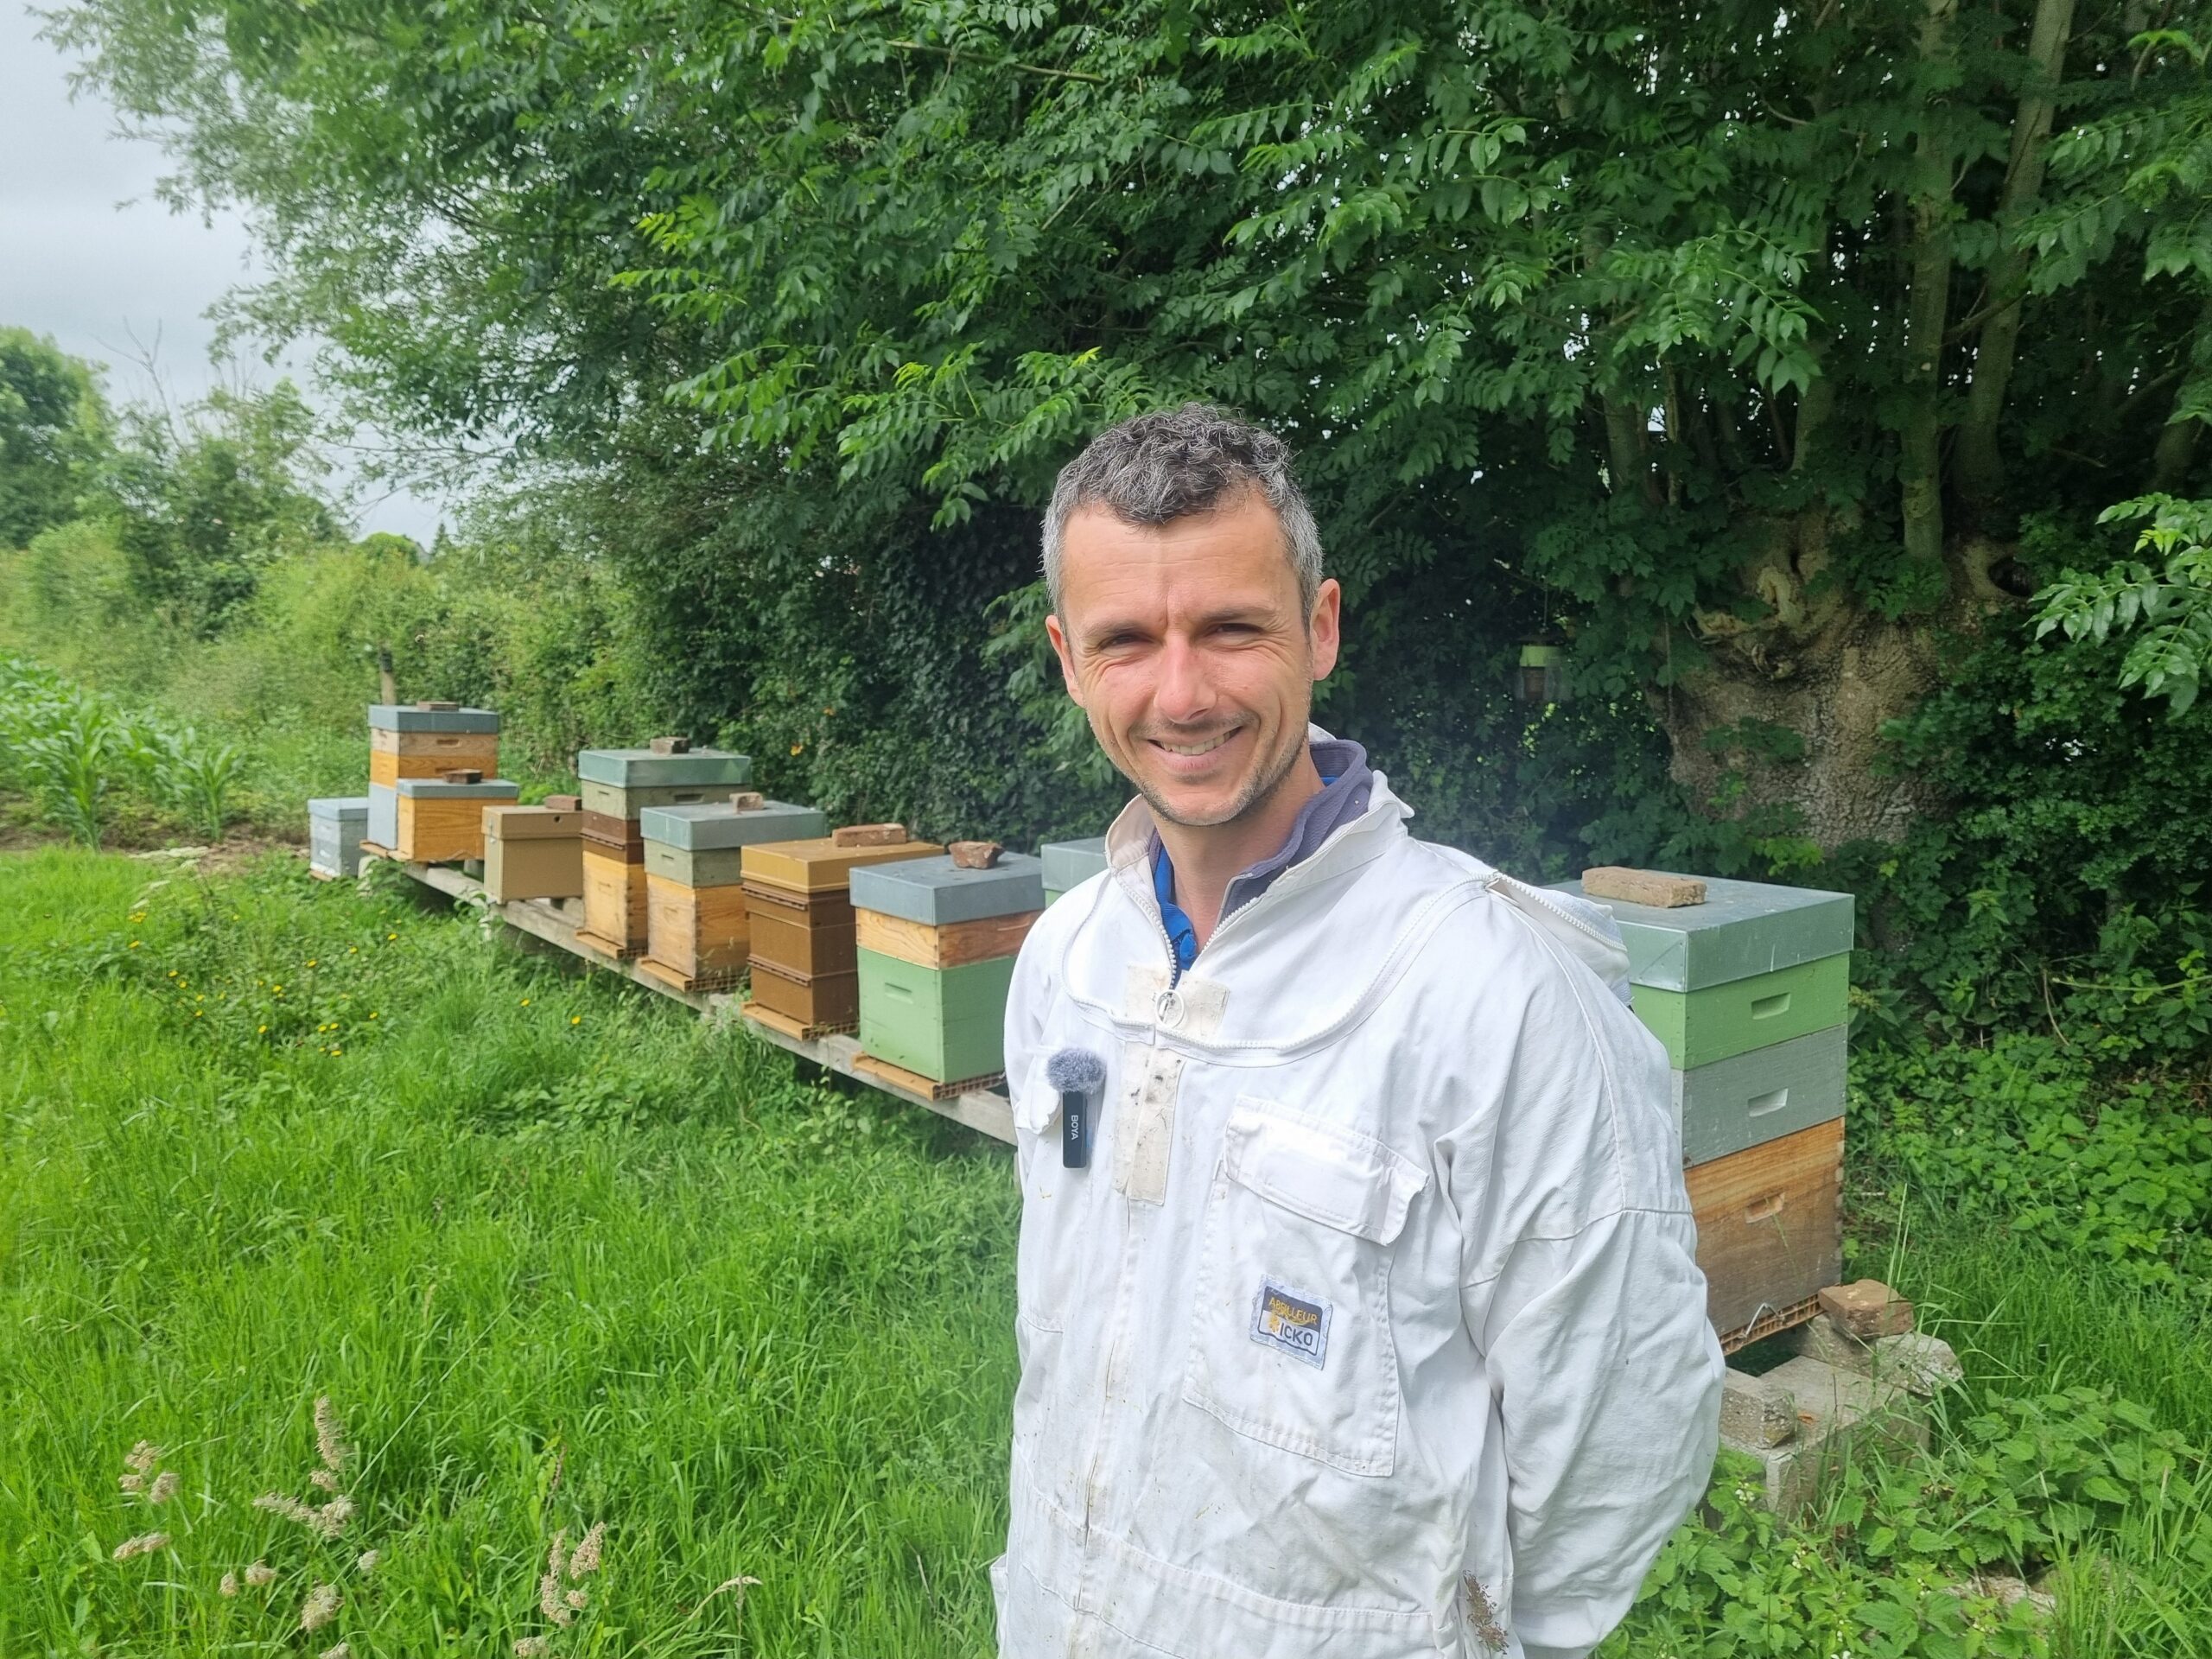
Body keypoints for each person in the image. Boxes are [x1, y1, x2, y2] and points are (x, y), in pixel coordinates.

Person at [995, 404, 1725, 1659]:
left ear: (1319, 628)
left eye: (1232, 628)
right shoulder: (1065, 960)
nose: (1183, 691)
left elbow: (1623, 1423)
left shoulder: (1495, 996)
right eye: (1127, 640)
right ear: (1070, 660)